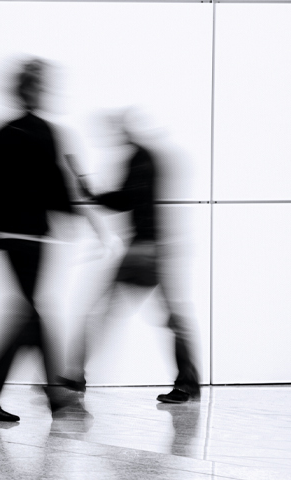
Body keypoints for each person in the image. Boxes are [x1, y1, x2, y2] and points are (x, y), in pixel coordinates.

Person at [0, 58, 84, 422]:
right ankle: (47, 397)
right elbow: (58, 189)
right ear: (33, 89)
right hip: (30, 236)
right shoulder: (46, 133)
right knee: (31, 316)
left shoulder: (3, 132)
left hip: (5, 234)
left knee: (29, 316)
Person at [66, 109, 200, 404]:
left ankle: (75, 376)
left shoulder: (141, 159)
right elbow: (126, 200)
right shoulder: (146, 158)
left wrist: (89, 192)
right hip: (154, 249)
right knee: (169, 318)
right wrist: (93, 193)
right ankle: (188, 383)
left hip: (144, 250)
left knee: (101, 312)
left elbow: (124, 201)